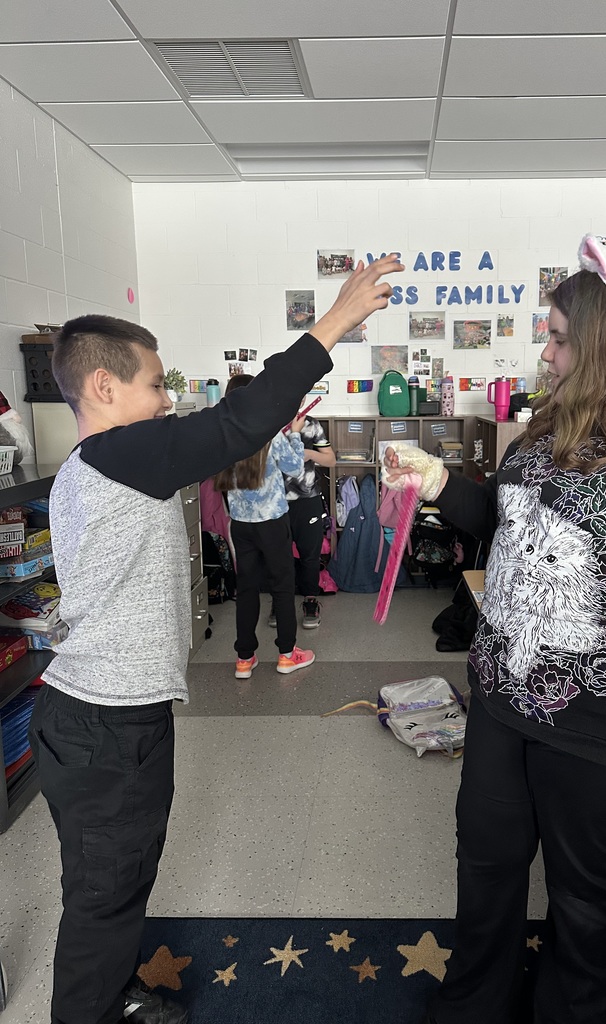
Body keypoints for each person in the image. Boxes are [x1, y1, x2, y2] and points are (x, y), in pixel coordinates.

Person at [383, 236, 606, 1024]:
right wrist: (443, 482)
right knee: (484, 871)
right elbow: (507, 524)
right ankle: (472, 1006)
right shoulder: (542, 440)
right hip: (501, 707)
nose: (544, 355)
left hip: (600, 733)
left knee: (585, 899)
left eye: (557, 338)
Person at [27, 254, 403, 1024]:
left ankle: (111, 993)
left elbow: (235, 431)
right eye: (156, 384)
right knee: (103, 895)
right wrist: (334, 323)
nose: (167, 402)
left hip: (110, 714)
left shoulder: (105, 463)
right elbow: (235, 422)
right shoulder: (116, 454)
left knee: (119, 881)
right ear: (105, 388)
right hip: (105, 722)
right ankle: (88, 1011)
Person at [213, 375, 311, 677]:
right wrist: (295, 433)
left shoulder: (223, 433)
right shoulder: (269, 432)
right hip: (272, 523)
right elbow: (295, 468)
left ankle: (244, 658)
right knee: (282, 588)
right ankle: (286, 654)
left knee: (247, 590)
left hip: (241, 526)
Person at [281, 409, 336, 628]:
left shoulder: (312, 423)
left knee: (310, 556)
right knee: (280, 556)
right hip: (276, 501)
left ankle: (310, 601)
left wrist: (309, 454)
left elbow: (331, 460)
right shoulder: (269, 420)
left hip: (308, 499)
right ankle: (280, 603)